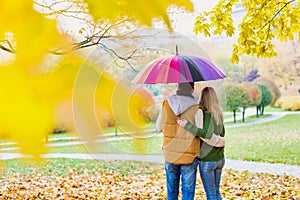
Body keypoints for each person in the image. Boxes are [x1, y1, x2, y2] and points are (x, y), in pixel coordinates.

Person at [156, 83, 224, 200]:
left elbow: (158, 128)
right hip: (189, 156)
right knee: (187, 191)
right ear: (192, 89)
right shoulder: (196, 108)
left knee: (171, 191)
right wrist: (220, 141)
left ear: (178, 87)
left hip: (170, 154)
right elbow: (202, 133)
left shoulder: (166, 104)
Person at [177, 87, 225, 200]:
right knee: (216, 193)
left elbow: (205, 134)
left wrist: (187, 126)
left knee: (211, 195)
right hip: (220, 159)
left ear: (203, 97)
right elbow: (222, 133)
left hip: (208, 160)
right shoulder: (218, 112)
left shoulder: (203, 112)